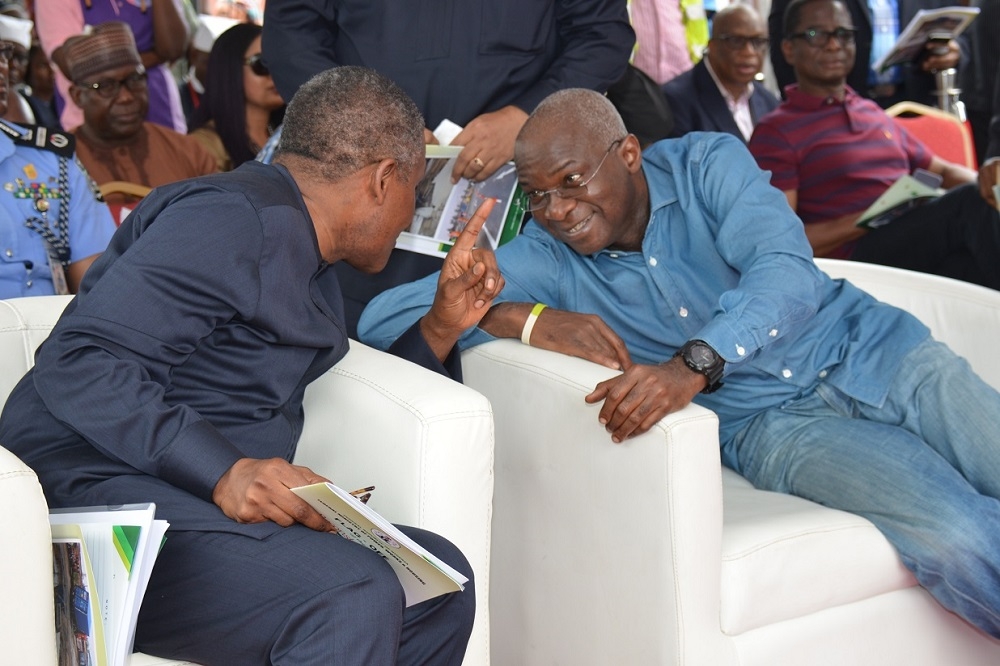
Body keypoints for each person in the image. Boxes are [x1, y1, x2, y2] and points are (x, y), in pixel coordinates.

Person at [359, 86, 1000, 640]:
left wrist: (693, 363)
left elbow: (787, 272)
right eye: (539, 195)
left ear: (628, 154)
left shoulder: (707, 164)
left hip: (869, 345)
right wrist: (524, 317)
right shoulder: (548, 259)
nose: (558, 211)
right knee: (956, 536)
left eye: (572, 182)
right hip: (773, 426)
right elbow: (383, 317)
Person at [0, 65, 503, 665]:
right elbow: (78, 361)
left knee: (438, 582)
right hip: (97, 505)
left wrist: (441, 327)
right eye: (415, 194)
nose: (409, 218)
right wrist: (223, 470)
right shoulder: (230, 218)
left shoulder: (306, 255)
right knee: (351, 592)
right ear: (383, 178)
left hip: (183, 502)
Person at [261, 0, 635, 336]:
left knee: (496, 350)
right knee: (349, 354)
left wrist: (524, 116)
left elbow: (603, 34)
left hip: (512, 198)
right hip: (363, 179)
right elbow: (291, 32)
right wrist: (364, 123)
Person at [749, 0, 1000, 289]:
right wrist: (871, 218)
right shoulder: (777, 130)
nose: (834, 45)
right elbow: (783, 241)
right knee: (969, 206)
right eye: (816, 35)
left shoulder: (871, 112)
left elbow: (945, 171)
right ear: (788, 49)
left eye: (843, 34)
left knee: (972, 250)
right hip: (859, 257)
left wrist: (989, 188)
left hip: (915, 240)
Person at [60, 22, 216, 222]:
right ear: (78, 96)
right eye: (106, 86)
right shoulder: (59, 165)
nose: (126, 97)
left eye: (135, 79)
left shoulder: (188, 152)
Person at [0, 46, 115, 298]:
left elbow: (99, 287)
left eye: (2, 55)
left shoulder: (53, 162)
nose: (2, 67)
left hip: (49, 332)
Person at [768, 0, 966, 107]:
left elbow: (960, 31)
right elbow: (783, 43)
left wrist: (954, 50)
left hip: (914, 102)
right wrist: (802, 108)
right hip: (832, 108)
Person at [36, 0, 189, 133]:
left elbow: (173, 48)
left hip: (157, 104)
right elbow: (75, 66)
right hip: (94, 118)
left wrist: (104, 56)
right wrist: (156, 56)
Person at [662, 3, 779, 142]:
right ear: (712, 46)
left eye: (758, 41)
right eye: (736, 41)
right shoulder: (675, 100)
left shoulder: (769, 102)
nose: (749, 52)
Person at [189, 22, 284, 172]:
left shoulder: (288, 132)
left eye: (281, 64)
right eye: (261, 64)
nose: (274, 75)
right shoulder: (205, 144)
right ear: (230, 69)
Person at [178, 14, 238, 129]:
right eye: (209, 63)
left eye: (222, 64)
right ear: (194, 56)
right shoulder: (178, 95)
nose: (217, 71)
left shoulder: (234, 95)